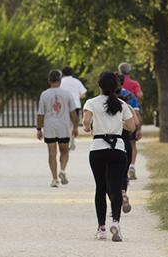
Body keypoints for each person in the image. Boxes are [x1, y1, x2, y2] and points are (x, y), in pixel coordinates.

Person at [83, 71, 136, 242]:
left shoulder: (91, 103)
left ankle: (101, 228)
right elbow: (131, 126)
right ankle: (116, 223)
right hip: (118, 149)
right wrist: (117, 125)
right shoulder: (122, 104)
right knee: (115, 187)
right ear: (116, 86)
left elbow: (85, 124)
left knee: (100, 187)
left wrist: (90, 126)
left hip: (98, 148)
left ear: (99, 85)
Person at [36, 70, 79, 187]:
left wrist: (39, 129)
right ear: (60, 81)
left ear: (49, 81)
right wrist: (75, 127)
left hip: (49, 126)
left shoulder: (44, 94)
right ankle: (63, 170)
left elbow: (40, 113)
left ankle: (54, 179)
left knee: (51, 153)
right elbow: (73, 112)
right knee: (64, 151)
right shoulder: (67, 94)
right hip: (63, 125)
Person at [118, 63, 143, 180]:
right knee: (132, 144)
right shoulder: (134, 85)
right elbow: (140, 95)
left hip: (117, 120)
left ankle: (121, 169)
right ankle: (131, 166)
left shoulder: (112, 91)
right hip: (131, 118)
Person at [60, 66, 87, 150]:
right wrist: (76, 96)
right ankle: (72, 141)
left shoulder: (61, 82)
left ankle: (65, 141)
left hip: (64, 105)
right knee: (73, 124)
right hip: (75, 105)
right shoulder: (76, 81)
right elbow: (83, 94)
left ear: (63, 73)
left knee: (65, 124)